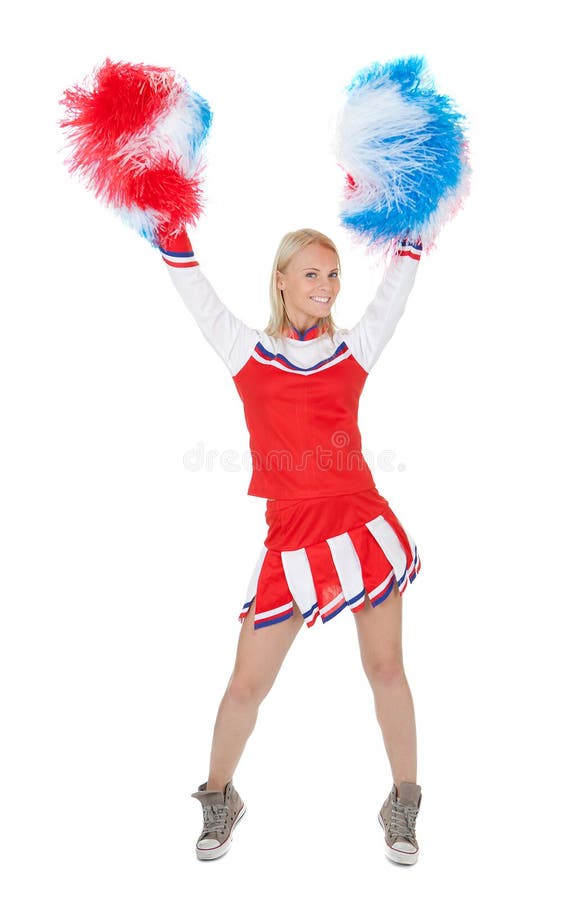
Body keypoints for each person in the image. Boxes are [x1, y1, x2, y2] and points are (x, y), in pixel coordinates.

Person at [159, 224, 423, 864]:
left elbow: (397, 284)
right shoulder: (245, 349)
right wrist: (166, 220)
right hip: (290, 541)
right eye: (311, 274)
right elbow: (193, 288)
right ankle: (220, 796)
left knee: (386, 669)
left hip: (361, 529)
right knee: (245, 685)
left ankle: (404, 804)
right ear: (280, 279)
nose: (326, 287)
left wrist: (415, 225)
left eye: (333, 275)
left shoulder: (354, 348)